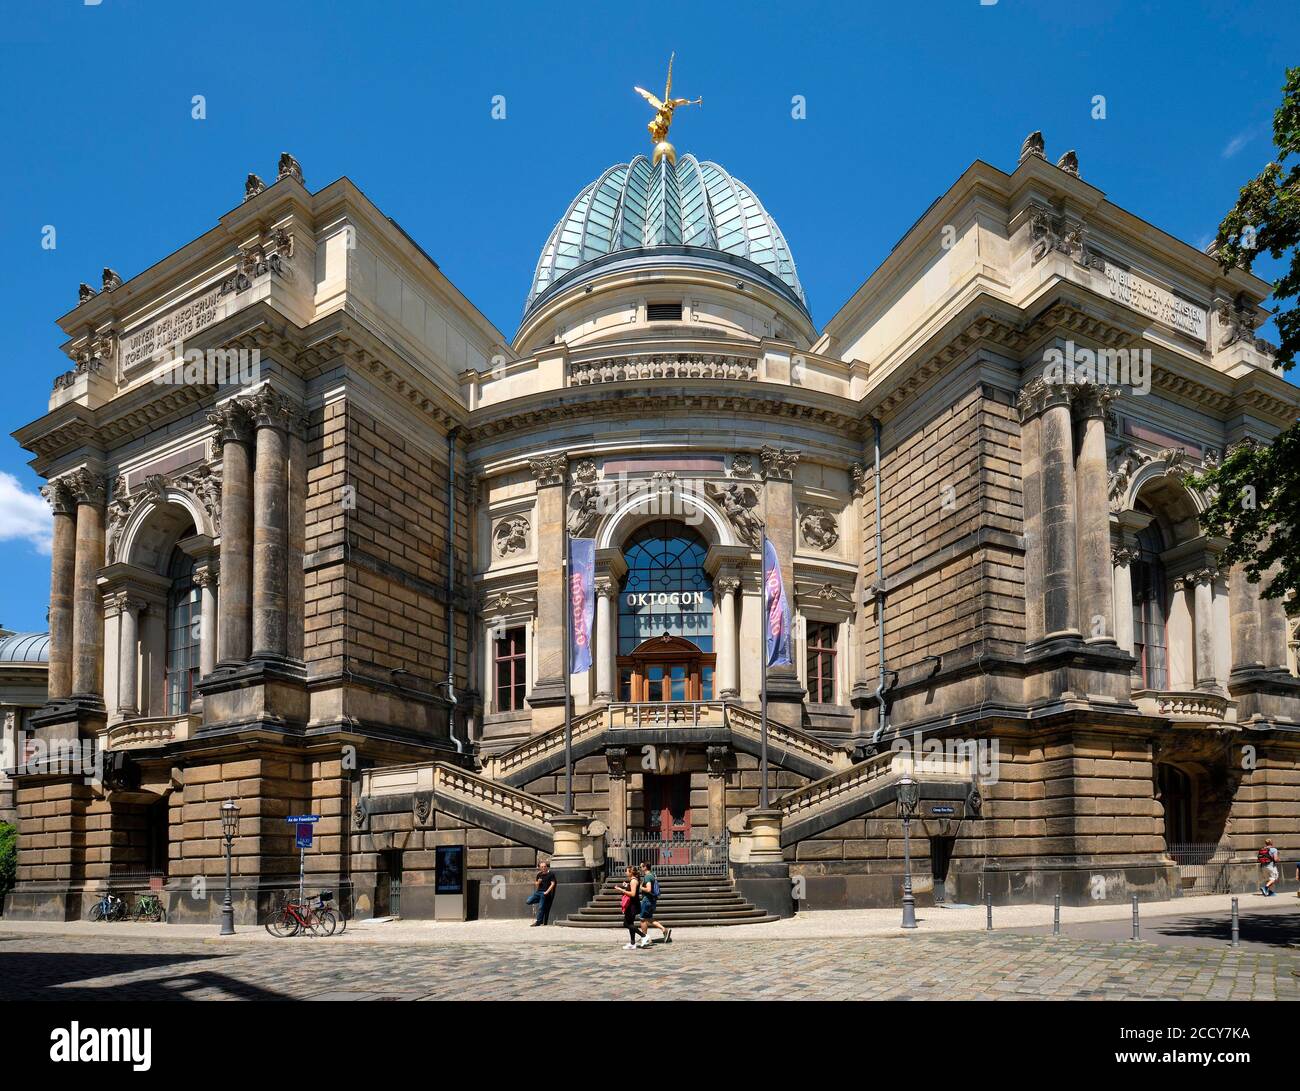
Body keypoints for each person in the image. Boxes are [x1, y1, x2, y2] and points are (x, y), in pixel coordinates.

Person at [636, 862, 671, 947]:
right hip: (652, 901)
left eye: (641, 867)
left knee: (642, 919)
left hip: (647, 900)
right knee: (649, 918)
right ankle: (664, 929)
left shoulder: (648, 876)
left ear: (645, 867)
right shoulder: (652, 875)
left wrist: (641, 887)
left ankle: (645, 938)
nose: (640, 869)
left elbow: (648, 889)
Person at [615, 865, 641, 950]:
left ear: (631, 872)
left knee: (626, 924)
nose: (625, 872)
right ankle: (632, 943)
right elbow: (632, 889)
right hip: (632, 904)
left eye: (626, 871)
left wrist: (621, 890)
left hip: (632, 905)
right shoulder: (632, 881)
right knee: (630, 923)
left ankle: (644, 936)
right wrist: (626, 886)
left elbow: (633, 894)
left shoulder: (633, 881)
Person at [526, 860, 558, 925]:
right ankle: (541, 901)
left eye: (545, 866)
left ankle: (538, 921)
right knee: (528, 901)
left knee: (541, 907)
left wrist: (546, 892)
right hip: (538, 892)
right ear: (540, 868)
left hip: (544, 893)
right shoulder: (539, 874)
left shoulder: (551, 874)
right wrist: (538, 882)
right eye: (542, 867)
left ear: (547, 867)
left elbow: (553, 884)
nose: (543, 868)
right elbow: (536, 884)